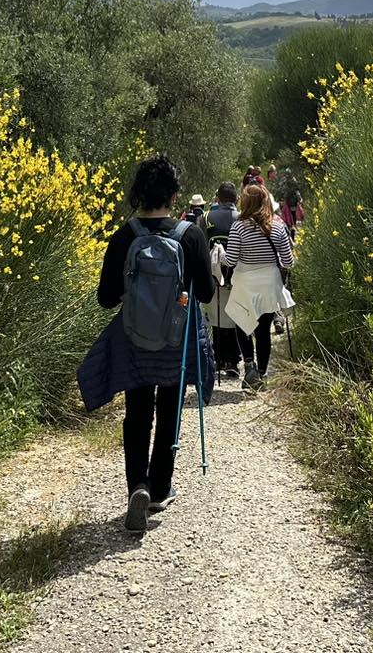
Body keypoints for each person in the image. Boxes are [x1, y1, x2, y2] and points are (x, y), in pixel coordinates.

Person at [77, 155, 215, 532]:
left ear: (139, 192)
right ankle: (159, 489)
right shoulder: (190, 235)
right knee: (170, 412)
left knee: (138, 414)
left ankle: (137, 485)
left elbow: (106, 298)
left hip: (136, 344)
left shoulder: (125, 236)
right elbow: (205, 293)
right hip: (175, 346)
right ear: (174, 195)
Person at [224, 183, 294, 391]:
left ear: (245, 202)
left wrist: (219, 255)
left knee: (241, 322)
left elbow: (231, 260)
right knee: (264, 330)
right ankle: (261, 374)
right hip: (268, 284)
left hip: (245, 282)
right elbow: (288, 261)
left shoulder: (238, 227)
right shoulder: (278, 226)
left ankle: (249, 366)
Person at [197, 183, 240, 377]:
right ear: (236, 199)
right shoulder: (243, 218)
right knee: (236, 316)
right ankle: (234, 359)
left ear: (218, 199)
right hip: (237, 277)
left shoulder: (205, 218)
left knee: (216, 316)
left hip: (213, 276)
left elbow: (200, 248)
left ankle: (219, 358)